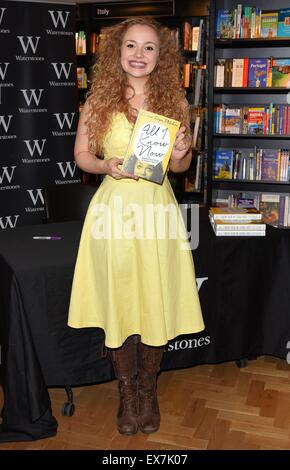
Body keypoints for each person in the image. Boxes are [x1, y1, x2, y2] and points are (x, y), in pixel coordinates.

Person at [68, 17, 204, 436]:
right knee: (122, 302)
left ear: (160, 56)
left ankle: (149, 390)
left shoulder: (174, 102)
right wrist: (105, 164)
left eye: (148, 47)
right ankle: (127, 395)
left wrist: (183, 150)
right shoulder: (98, 100)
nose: (139, 54)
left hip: (157, 212)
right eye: (131, 46)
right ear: (117, 52)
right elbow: (82, 157)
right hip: (113, 212)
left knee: (155, 300)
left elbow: (179, 168)